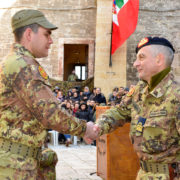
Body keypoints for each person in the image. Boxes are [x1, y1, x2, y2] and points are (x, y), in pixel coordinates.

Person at [0, 9, 98, 180]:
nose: (51, 40)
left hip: (17, 160)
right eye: (47, 34)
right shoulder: (23, 65)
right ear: (29, 34)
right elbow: (50, 114)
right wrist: (85, 129)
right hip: (15, 166)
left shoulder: (16, 61)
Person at [90, 37, 180, 180]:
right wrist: (97, 127)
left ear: (159, 59)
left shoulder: (176, 96)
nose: (135, 63)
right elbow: (119, 112)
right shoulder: (140, 90)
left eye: (141, 58)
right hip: (143, 173)